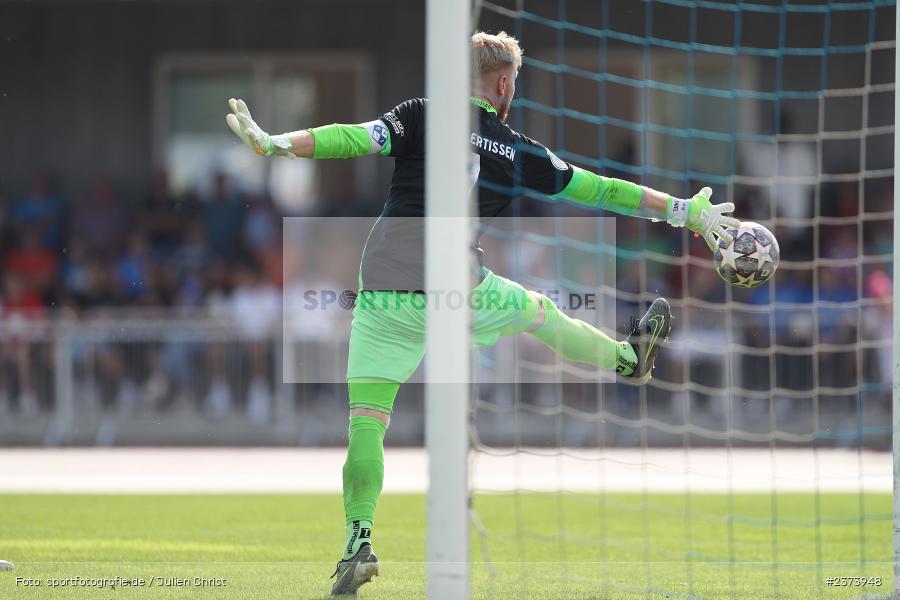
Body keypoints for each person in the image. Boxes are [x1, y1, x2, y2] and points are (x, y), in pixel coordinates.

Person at [226, 31, 739, 596]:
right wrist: (683, 212)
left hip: (384, 285)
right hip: (455, 286)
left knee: (367, 421)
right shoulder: (518, 150)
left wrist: (276, 144)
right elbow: (603, 192)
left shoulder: (421, 115)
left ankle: (358, 538)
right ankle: (626, 357)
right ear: (502, 83)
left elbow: (353, 139)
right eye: (512, 83)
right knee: (541, 312)